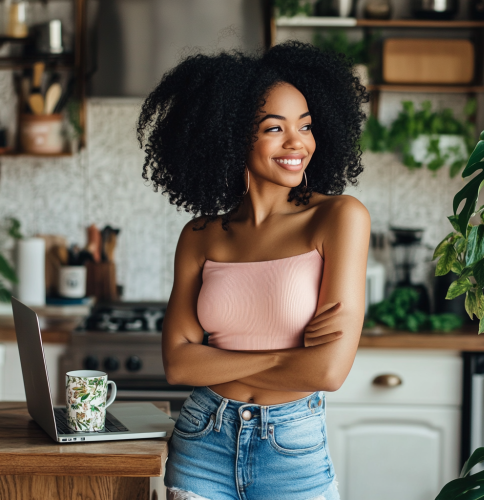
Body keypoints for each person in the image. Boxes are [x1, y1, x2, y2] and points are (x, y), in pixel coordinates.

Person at [137, 40, 371, 500]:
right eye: (273, 128)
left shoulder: (339, 218)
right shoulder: (201, 234)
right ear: (230, 135)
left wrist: (222, 363)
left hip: (291, 450)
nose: (297, 143)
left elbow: (328, 372)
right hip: (203, 441)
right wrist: (287, 358)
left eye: (305, 126)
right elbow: (178, 363)